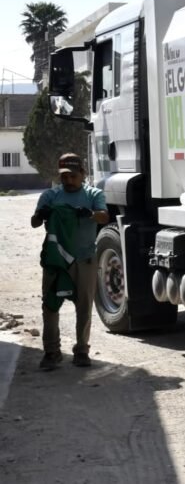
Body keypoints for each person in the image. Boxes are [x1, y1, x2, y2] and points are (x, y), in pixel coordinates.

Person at [30, 153, 108, 370]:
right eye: (64, 177)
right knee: (50, 306)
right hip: (56, 261)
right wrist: (41, 214)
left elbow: (104, 216)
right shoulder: (50, 196)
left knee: (84, 306)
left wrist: (90, 214)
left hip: (84, 261)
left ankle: (82, 350)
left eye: (73, 176)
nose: (69, 181)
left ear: (82, 174)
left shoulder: (94, 194)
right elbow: (34, 222)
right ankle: (51, 351)